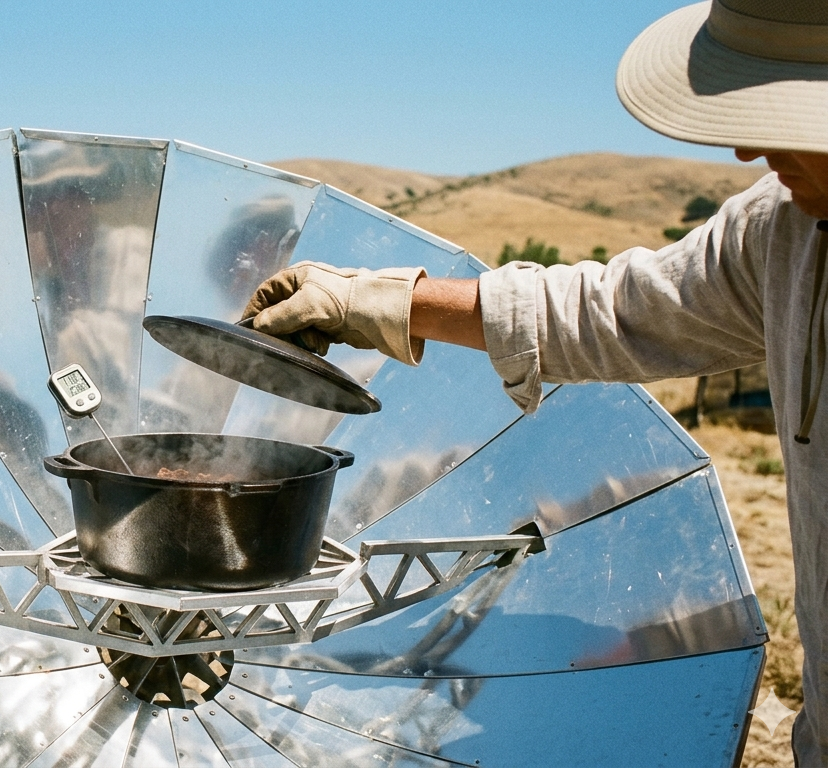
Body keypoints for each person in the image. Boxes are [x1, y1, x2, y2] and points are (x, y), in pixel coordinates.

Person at [243, 0, 828, 763]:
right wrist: (377, 301)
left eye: (782, 110)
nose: (749, 148)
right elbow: (614, 310)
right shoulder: (781, 230)